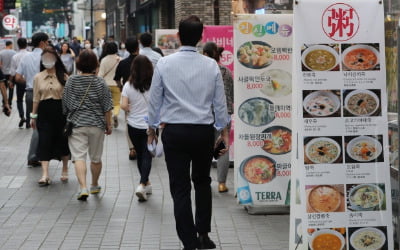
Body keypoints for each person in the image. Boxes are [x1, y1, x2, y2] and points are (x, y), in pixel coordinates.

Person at [147, 15, 230, 250]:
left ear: (178, 36)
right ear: (201, 38)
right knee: (203, 182)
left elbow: (155, 101)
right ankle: (203, 233)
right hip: (203, 131)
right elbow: (220, 103)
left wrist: (151, 129)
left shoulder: (164, 64)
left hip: (174, 131)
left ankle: (188, 241)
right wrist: (222, 131)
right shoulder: (211, 64)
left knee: (180, 186)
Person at [62, 50, 113, 201]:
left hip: (77, 124)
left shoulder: (71, 81)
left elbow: (65, 103)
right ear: (95, 64)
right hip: (97, 124)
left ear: (78, 64)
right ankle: (94, 184)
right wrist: (108, 124)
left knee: (79, 157)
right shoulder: (100, 82)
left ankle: (83, 187)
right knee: (96, 158)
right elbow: (107, 106)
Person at [30, 47, 70, 185]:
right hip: (44, 112)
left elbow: (68, 98)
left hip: (61, 112)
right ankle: (45, 174)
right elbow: (36, 98)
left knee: (63, 140)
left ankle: (65, 168)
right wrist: (33, 116)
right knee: (44, 141)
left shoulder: (64, 76)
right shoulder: (38, 77)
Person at [121, 55, 154, 201]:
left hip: (133, 125)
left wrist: (130, 107)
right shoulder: (154, 84)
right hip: (150, 125)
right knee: (147, 155)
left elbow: (123, 105)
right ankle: (142, 183)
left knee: (141, 155)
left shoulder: (128, 85)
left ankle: (145, 183)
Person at [203, 42, 234, 193]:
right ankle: (222, 183)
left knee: (205, 147)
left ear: (206, 54)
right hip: (225, 113)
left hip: (207, 113)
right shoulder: (227, 72)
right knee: (222, 148)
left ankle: (205, 180)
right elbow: (232, 94)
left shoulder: (204, 71)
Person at [15, 32, 49, 167]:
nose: (48, 44)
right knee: (41, 125)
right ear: (42, 43)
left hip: (29, 94)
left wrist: (30, 82)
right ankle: (34, 155)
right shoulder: (47, 57)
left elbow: (17, 78)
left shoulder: (25, 57)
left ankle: (37, 155)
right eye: (47, 42)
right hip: (45, 94)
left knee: (36, 123)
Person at [114, 37, 139, 160]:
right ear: (137, 47)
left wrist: (121, 88)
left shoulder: (123, 63)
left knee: (128, 121)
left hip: (128, 94)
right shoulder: (143, 61)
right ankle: (145, 145)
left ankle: (132, 148)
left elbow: (117, 78)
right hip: (143, 93)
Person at [98, 42, 121, 128]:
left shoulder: (104, 60)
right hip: (116, 84)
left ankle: (109, 120)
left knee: (107, 103)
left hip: (106, 85)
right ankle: (115, 114)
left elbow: (100, 74)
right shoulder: (119, 59)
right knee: (117, 103)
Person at [10, 38, 29, 128]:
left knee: (19, 99)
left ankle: (22, 116)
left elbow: (13, 72)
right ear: (27, 45)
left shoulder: (15, 57)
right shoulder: (30, 55)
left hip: (19, 81)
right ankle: (29, 119)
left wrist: (10, 81)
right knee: (30, 100)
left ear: (18, 45)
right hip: (30, 81)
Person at [0, 41, 16, 108]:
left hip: (3, 73)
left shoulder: (1, 53)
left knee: (4, 88)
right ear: (11, 45)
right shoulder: (14, 53)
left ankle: (4, 102)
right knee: (11, 88)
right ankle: (9, 103)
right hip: (11, 74)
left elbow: (0, 64)